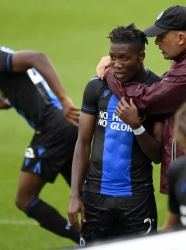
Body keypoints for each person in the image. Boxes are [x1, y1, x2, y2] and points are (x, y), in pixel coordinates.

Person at [96, 5, 186, 195]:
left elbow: (145, 99)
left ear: (180, 37)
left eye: (161, 36)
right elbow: (167, 87)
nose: (157, 42)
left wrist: (111, 72)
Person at [0, 32, 82, 244]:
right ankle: (111, 239)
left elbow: (38, 57)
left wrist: (63, 98)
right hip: (64, 128)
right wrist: (7, 102)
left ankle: (83, 239)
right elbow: (28, 84)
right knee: (84, 196)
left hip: (52, 129)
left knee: (24, 198)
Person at [68, 23, 164, 246]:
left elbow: (158, 155)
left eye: (124, 58)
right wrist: (75, 195)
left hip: (137, 199)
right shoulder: (97, 87)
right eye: (113, 57)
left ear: (141, 56)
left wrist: (136, 125)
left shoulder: (157, 90)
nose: (117, 65)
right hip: (95, 197)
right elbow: (83, 143)